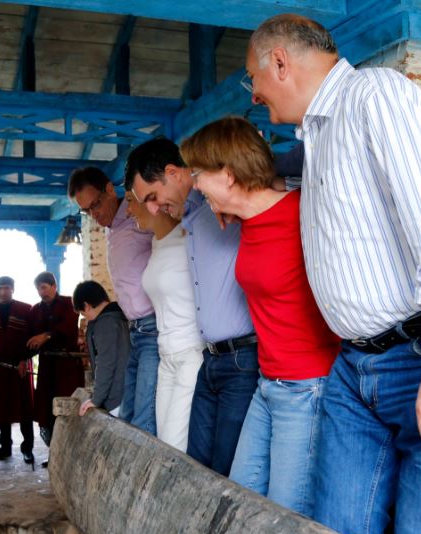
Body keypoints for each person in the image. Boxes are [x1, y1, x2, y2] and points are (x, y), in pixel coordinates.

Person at [244, 15, 421, 534]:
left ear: (279, 62)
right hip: (357, 364)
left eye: (251, 78)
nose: (253, 94)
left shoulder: (376, 97)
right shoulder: (318, 134)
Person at [181, 116, 341, 515]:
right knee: (242, 499)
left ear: (228, 174)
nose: (195, 185)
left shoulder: (303, 213)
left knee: (286, 516)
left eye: (199, 174)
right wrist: (230, 209)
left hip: (307, 386)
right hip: (267, 383)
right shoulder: (245, 220)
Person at [124, 137, 303, 476]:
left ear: (173, 173)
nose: (152, 208)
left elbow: (273, 176)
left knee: (223, 470)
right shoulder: (191, 216)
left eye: (152, 197)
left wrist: (273, 178)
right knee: (195, 464)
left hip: (244, 356)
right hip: (210, 357)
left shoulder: (223, 204)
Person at [68, 167, 160, 436]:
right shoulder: (111, 230)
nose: (94, 214)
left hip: (153, 326)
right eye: (86, 211)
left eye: (95, 204)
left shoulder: (138, 218)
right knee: (128, 414)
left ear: (110, 189)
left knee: (144, 417)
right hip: (135, 328)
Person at [125, 189, 204, 452]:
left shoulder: (187, 236)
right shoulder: (156, 243)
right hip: (165, 356)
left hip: (191, 353)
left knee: (173, 448)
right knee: (163, 444)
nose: (128, 210)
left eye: (130, 201)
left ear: (151, 203)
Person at [27, 271, 85, 454]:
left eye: (44, 287)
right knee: (47, 408)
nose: (41, 292)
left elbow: (68, 327)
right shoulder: (35, 310)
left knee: (69, 407)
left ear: (54, 286)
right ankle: (55, 452)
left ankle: (72, 452)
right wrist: (23, 357)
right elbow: (31, 337)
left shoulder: (69, 303)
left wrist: (47, 335)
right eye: (38, 289)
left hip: (67, 366)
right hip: (46, 365)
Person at [0, 276, 35, 464]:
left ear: (13, 289)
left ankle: (28, 449)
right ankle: (5, 447)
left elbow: (33, 339)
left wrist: (24, 359)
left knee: (24, 407)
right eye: (0, 288)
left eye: (6, 288)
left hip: (21, 363)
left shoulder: (26, 310)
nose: (3, 292)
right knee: (1, 407)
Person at [73, 281, 129, 417]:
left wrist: (96, 399)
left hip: (116, 398)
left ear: (86, 306)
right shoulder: (120, 316)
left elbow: (105, 363)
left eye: (83, 314)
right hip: (127, 393)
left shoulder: (105, 323)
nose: (86, 318)